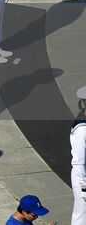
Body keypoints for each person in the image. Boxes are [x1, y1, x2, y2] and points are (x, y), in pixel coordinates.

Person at [71, 88, 86, 225]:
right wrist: (84, 187)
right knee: (82, 216)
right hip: (83, 177)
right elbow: (79, 161)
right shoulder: (82, 129)